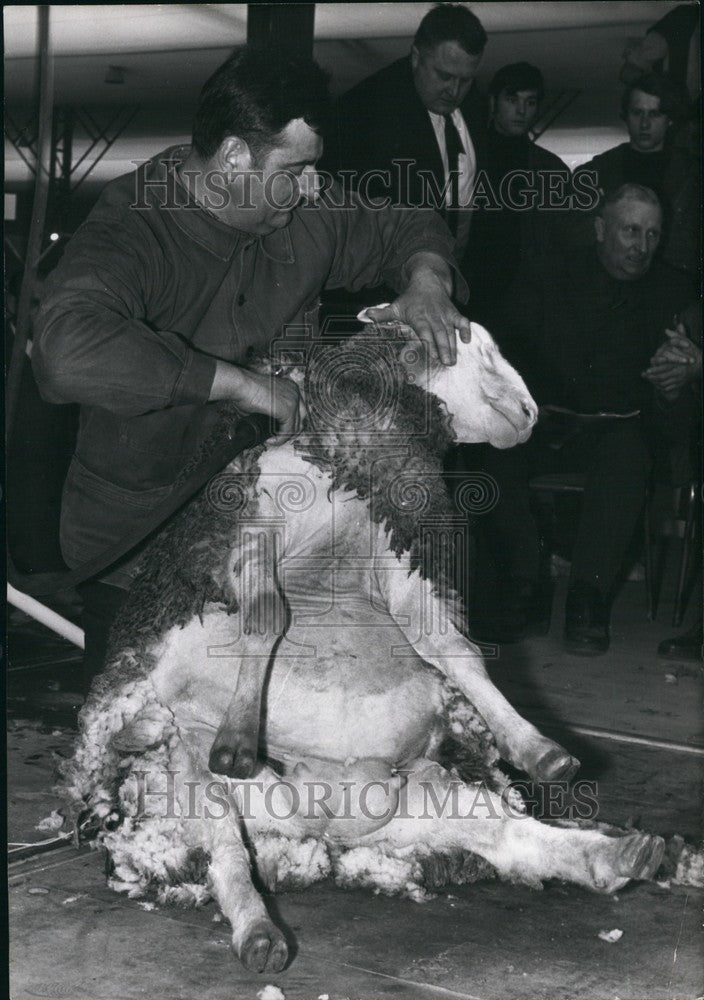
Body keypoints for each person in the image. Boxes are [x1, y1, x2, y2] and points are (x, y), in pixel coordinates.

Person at [31, 47, 471, 692]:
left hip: (272, 539)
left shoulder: (302, 212)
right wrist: (239, 384)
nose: (314, 187)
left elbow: (403, 224)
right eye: (296, 170)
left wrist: (428, 280)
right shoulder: (133, 223)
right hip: (139, 544)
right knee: (142, 746)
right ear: (234, 157)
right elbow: (66, 350)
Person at [467, 184, 699, 655]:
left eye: (653, 234)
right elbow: (502, 360)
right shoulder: (546, 276)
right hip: (544, 421)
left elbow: (677, 424)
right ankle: (522, 585)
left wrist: (676, 385)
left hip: (621, 430)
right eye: (630, 230)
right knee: (486, 449)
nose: (642, 246)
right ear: (599, 229)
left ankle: (587, 598)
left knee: (629, 452)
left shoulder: (675, 291)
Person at [325, 3, 488, 260]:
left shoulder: (475, 103)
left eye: (465, 80)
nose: (454, 91)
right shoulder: (363, 112)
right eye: (444, 76)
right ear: (415, 57)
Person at [461, 61, 573, 326]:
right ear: (493, 102)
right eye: (512, 99)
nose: (521, 110)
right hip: (470, 291)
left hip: (527, 299)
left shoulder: (551, 169)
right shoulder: (465, 160)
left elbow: (562, 241)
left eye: (530, 102)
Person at [573, 73, 699, 278]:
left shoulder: (693, 174)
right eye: (637, 112)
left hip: (674, 289)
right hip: (609, 289)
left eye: (655, 114)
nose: (645, 123)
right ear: (626, 116)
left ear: (670, 120)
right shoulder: (593, 173)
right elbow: (577, 239)